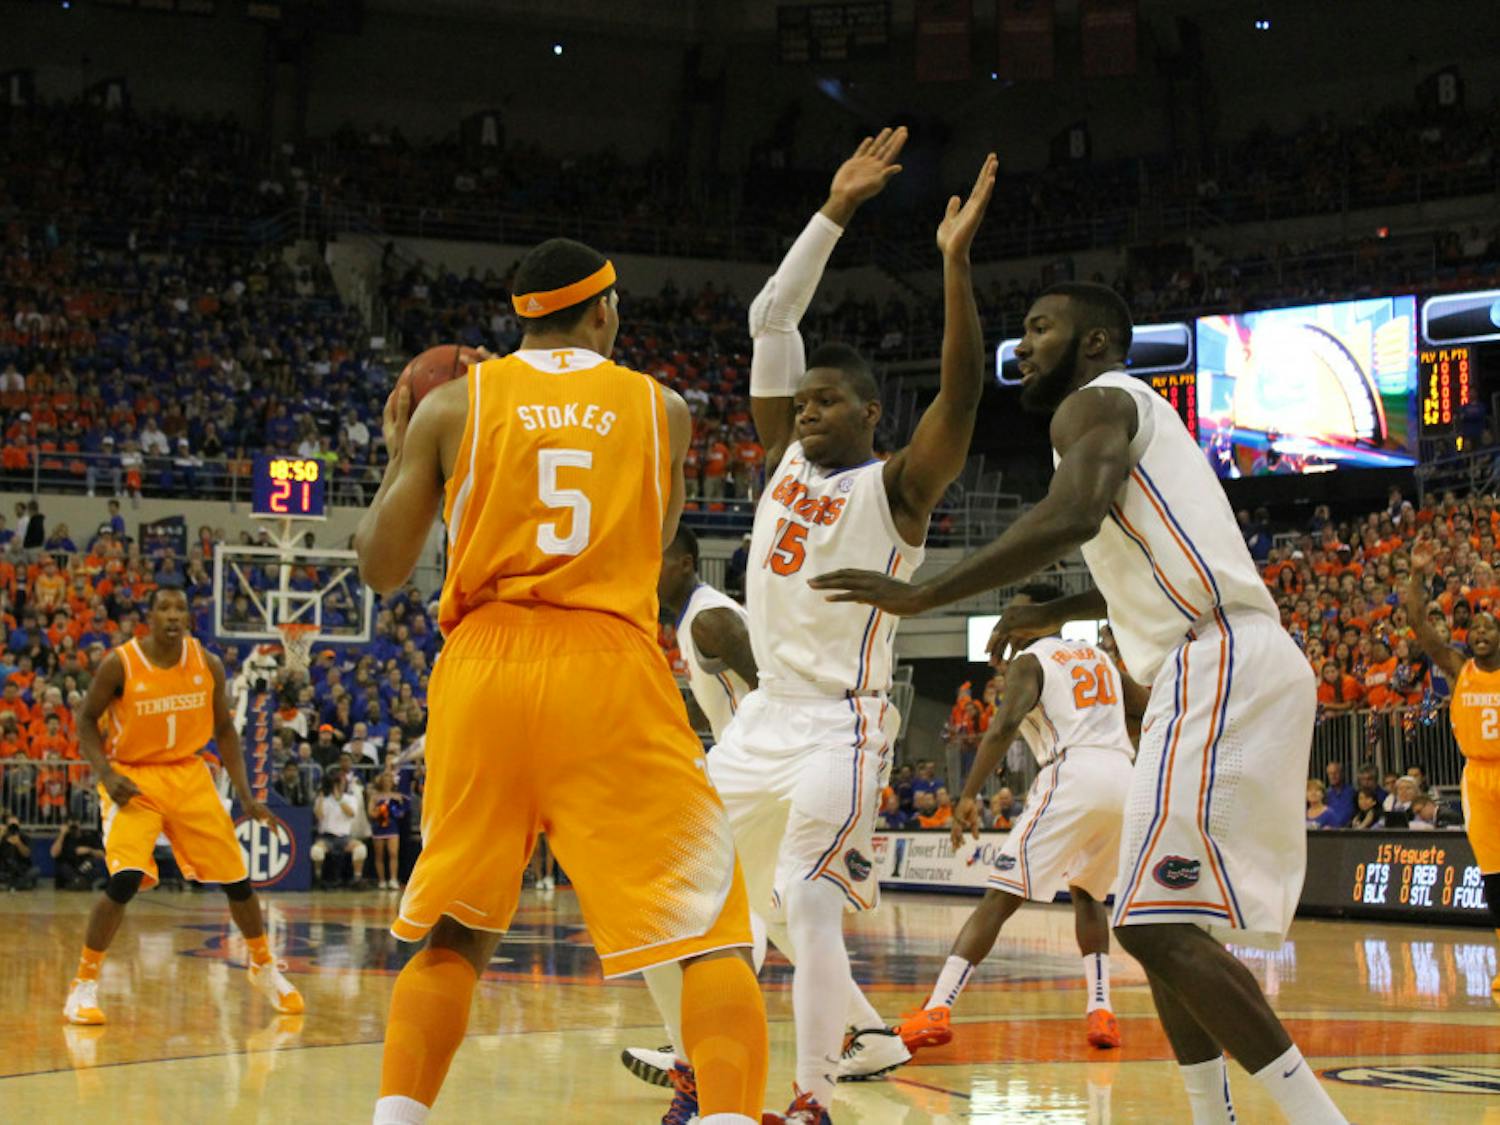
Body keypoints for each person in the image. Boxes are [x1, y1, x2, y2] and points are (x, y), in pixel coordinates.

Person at [812, 281, 1347, 1123]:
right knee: (1159, 923)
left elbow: (1071, 516)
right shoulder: (1121, 427)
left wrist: (923, 595)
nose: (1021, 346)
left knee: (1151, 925)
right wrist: (1056, 610)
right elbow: (1148, 562)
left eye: (1039, 327)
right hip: (1212, 659)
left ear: (1094, 342)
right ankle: (1214, 1116)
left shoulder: (1096, 403)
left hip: (1218, 659)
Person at [353, 234, 769, 1125]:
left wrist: (402, 453)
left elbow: (382, 567)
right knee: (709, 931)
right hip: (608, 662)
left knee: (456, 926)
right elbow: (652, 545)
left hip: (483, 667)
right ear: (605, 308)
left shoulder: (456, 405)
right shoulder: (666, 411)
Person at [705, 132, 996, 1115]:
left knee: (810, 907)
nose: (810, 411)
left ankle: (812, 1091)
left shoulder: (900, 488)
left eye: (831, 401)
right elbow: (771, 314)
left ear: (874, 413)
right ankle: (713, 1055)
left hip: (841, 718)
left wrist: (954, 267)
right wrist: (835, 209)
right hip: (764, 718)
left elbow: (962, 394)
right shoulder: (783, 459)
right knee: (694, 877)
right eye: (806, 399)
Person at [895, 583, 1137, 1060]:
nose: (1009, 622)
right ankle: (1101, 1009)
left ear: (1045, 620)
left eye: (1018, 614)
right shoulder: (1100, 658)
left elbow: (1003, 726)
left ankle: (939, 1007)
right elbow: (1147, 709)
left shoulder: (1032, 660)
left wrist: (967, 794)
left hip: (1073, 772)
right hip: (1123, 778)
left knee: (999, 898)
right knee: (1089, 895)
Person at [64, 587, 302, 1025]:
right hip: (134, 776)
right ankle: (84, 984)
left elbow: (226, 730)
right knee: (126, 879)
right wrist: (107, 774)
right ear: (148, 617)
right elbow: (84, 720)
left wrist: (248, 797)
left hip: (190, 774)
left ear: (189, 618)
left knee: (237, 879)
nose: (173, 616)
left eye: (180, 609)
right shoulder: (121, 662)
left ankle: (263, 966)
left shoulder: (205, 663)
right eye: (164, 608)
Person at [618, 522, 763, 1116]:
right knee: (770, 921)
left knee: (664, 911)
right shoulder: (689, 622)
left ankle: (695, 1061)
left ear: (681, 563)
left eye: (651, 558)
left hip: (755, 775)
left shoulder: (711, 617)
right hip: (745, 771)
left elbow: (772, 693)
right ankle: (703, 1055)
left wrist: (725, 763)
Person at [1399, 539, 1500, 989]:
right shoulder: (1460, 668)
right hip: (1478, 777)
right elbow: (1421, 626)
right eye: (1474, 628)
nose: (1479, 633)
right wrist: (1419, 576)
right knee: (1494, 874)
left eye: (1488, 628)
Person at [312, 767, 366, 888]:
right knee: (316, 852)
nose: (339, 785)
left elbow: (351, 813)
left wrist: (339, 799)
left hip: (344, 837)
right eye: (336, 783)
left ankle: (357, 879)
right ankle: (318, 877)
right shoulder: (323, 799)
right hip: (326, 837)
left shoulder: (350, 798)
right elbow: (319, 816)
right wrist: (320, 797)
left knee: (360, 849)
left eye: (341, 783)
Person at [366, 767, 406, 890]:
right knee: (379, 855)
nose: (387, 782)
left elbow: (402, 812)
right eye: (385, 779)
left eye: (389, 780)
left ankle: (393, 879)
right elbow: (370, 812)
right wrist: (379, 811)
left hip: (392, 827)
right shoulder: (375, 796)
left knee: (393, 853)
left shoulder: (398, 795)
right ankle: (382, 880)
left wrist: (398, 810)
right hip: (379, 827)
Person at [51, 817, 106, 889]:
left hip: (84, 870)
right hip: (68, 872)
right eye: (71, 826)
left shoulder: (88, 837)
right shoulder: (63, 839)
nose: (74, 829)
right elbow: (54, 854)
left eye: (75, 826)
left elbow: (103, 855)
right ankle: (78, 881)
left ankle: (79, 882)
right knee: (63, 866)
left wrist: (89, 850)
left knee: (91, 864)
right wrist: (62, 834)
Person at [1, 813, 39, 889]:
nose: (13, 828)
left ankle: (12, 885)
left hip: (21, 870)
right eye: (11, 825)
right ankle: (18, 885)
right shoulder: (3, 837)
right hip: (5, 871)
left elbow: (27, 854)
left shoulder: (25, 837)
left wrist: (18, 843)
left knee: (35, 871)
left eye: (15, 825)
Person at [1322, 762, 1354, 827]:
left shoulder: (1352, 793)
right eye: (1330, 774)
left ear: (1342, 774)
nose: (1333, 776)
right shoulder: (1324, 795)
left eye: (1336, 773)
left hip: (1349, 831)